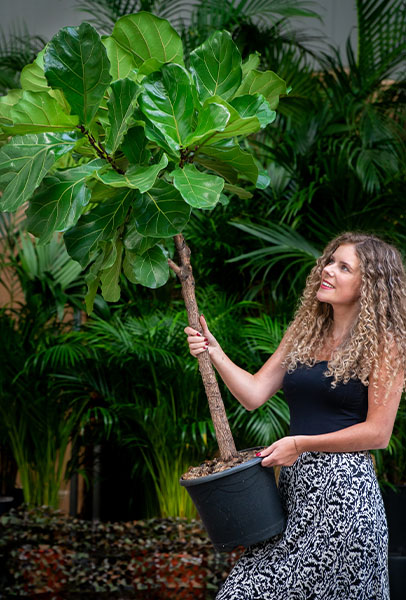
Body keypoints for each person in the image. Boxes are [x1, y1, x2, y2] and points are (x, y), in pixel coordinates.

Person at [184, 232, 406, 600]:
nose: (328, 270)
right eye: (330, 261)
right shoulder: (305, 331)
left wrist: (301, 444)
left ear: (370, 285)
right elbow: (255, 394)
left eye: (343, 266)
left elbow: (378, 433)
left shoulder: (387, 344)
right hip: (293, 497)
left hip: (344, 503)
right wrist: (213, 352)